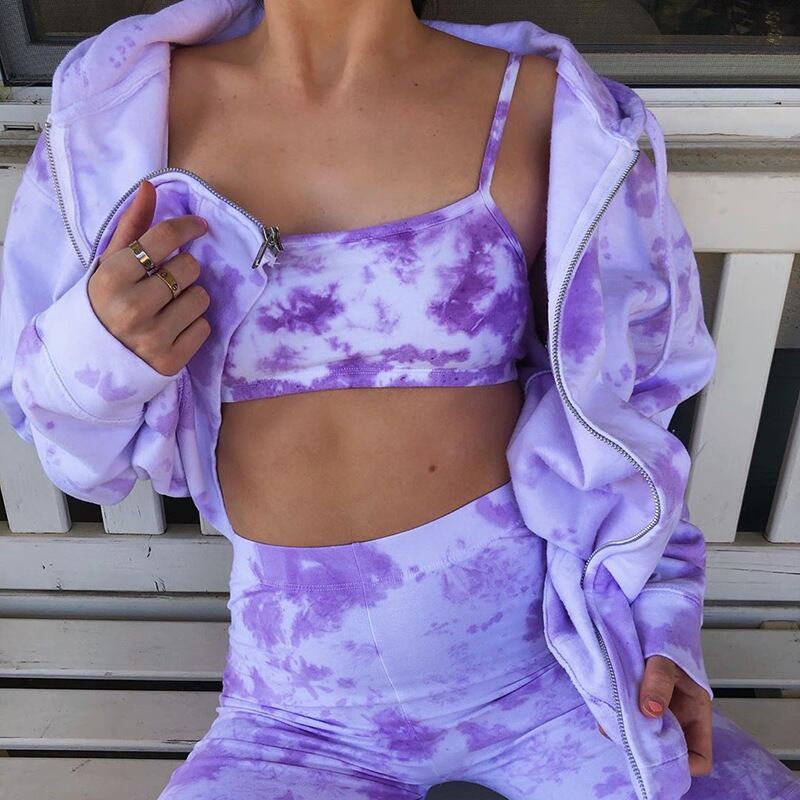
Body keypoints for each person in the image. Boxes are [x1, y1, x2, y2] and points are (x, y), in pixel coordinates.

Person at [1, 1, 798, 798]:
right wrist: (97, 348)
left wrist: (660, 619)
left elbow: (630, 408)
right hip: (293, 717)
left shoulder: (548, 111)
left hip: (557, 674)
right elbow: (81, 460)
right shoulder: (115, 123)